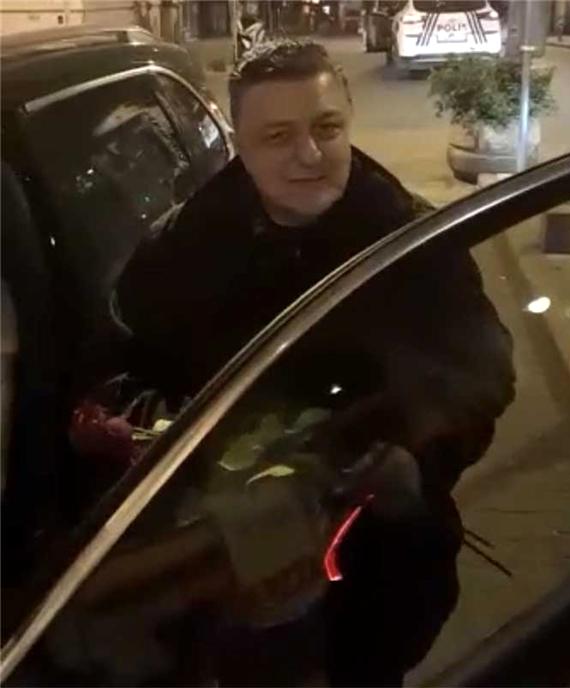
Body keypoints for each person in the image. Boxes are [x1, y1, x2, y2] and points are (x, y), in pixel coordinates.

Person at [117, 40, 515, 686]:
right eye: (278, 136)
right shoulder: (183, 247)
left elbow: (484, 375)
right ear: (239, 145)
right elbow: (131, 367)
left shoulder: (413, 243)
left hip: (376, 569)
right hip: (228, 573)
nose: (309, 154)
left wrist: (416, 461)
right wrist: (158, 437)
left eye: (326, 128)